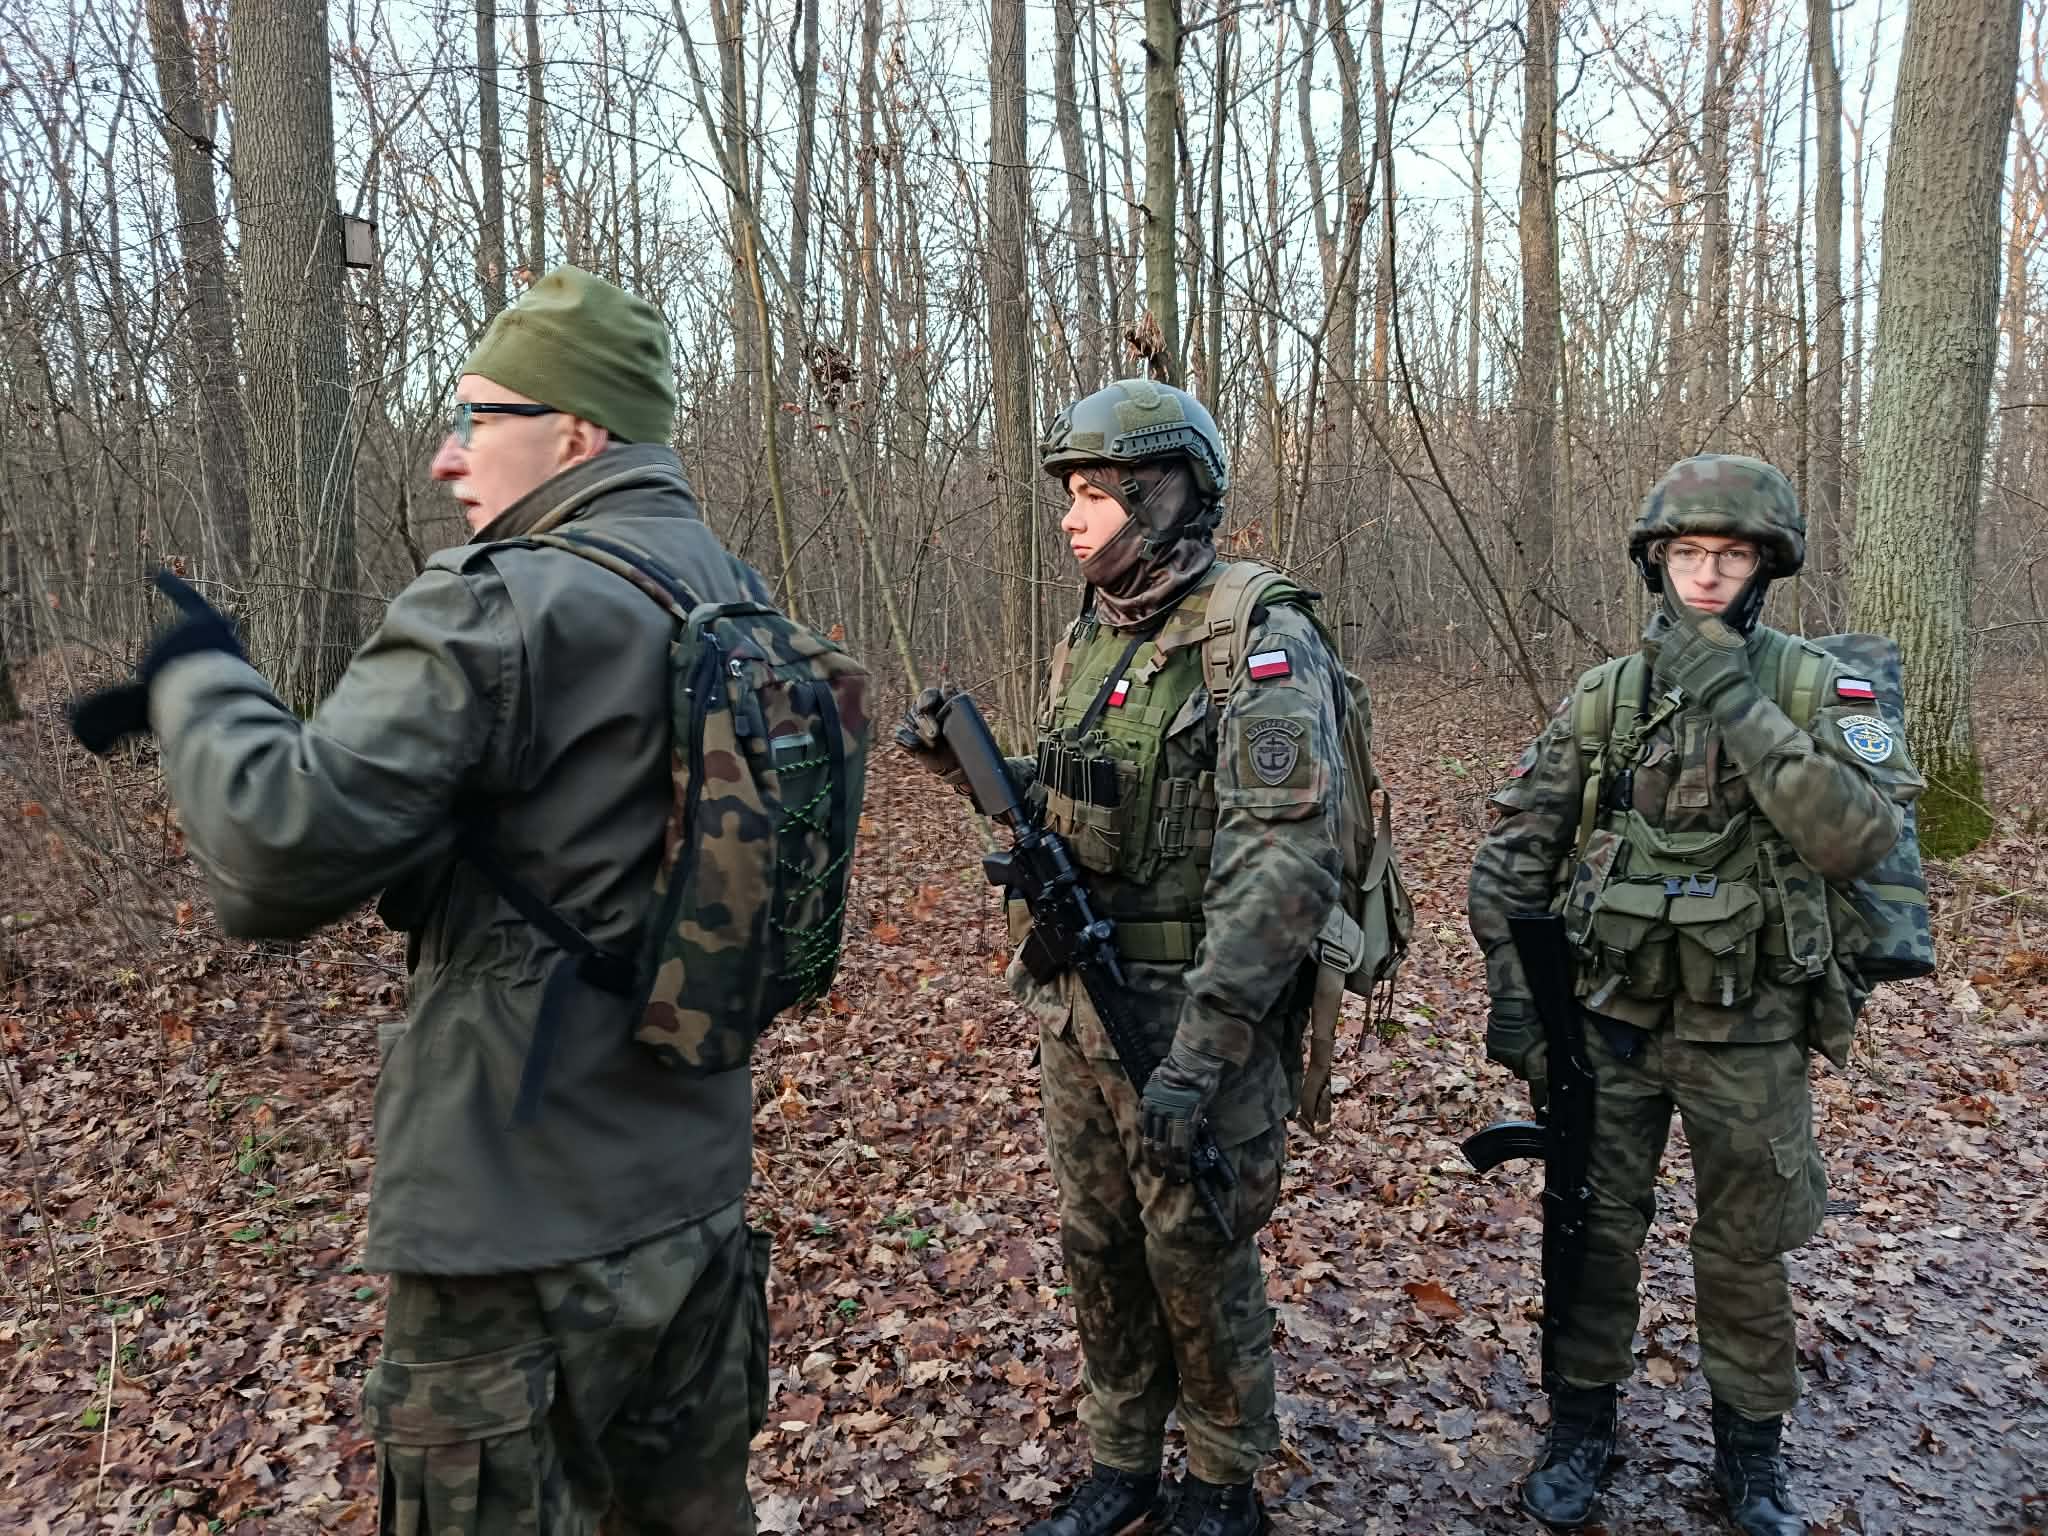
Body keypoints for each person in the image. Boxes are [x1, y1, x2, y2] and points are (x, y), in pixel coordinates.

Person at [68, 267, 775, 1535]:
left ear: (575, 433)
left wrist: (198, 677)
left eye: (473, 418)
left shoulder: (499, 604)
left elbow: (272, 853)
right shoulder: (734, 594)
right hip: (696, 1200)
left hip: (518, 1227)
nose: (448, 458)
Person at [901, 379, 1347, 1536]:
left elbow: (1284, 865)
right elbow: (1073, 803)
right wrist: (969, 770)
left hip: (1195, 1013)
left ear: (1164, 496)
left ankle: (1221, 1480)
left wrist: (1203, 1050)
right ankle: (1121, 1461)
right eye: (1069, 493)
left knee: (1194, 1248)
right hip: (1078, 1004)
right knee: (1098, 1242)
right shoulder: (1091, 635)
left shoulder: (1255, 638)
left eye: (1095, 493)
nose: (1070, 516)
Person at [1466, 455, 1925, 1535]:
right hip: (1610, 1023)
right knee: (1590, 1232)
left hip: (1752, 1029)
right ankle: (1580, 1427)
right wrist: (1516, 1000)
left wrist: (1730, 693)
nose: (1707, 576)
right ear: (1655, 564)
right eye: (1686, 555)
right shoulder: (1609, 696)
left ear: (1765, 568)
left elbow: (1856, 839)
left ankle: (1750, 1455)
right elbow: (1515, 857)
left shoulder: (1816, 687)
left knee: (1744, 1248)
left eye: (1730, 556)